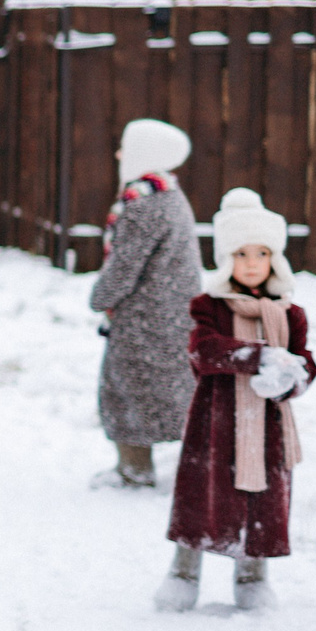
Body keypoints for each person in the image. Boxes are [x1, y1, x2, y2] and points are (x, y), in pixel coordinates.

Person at [157, 188, 316, 613]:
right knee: (202, 502)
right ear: (227, 258)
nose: (251, 264)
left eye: (261, 253)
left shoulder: (290, 314)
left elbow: (307, 363)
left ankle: (252, 578)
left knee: (259, 504)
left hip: (267, 432)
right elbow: (204, 352)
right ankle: (183, 574)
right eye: (242, 254)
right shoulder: (209, 307)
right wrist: (258, 357)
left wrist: (290, 378)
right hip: (215, 426)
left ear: (274, 258)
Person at [87, 119, 198, 488]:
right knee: (155, 394)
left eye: (125, 147)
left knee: (128, 394)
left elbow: (124, 265)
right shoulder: (168, 194)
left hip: (147, 321)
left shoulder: (144, 204)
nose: (118, 154)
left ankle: (135, 470)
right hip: (168, 316)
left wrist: (100, 297)